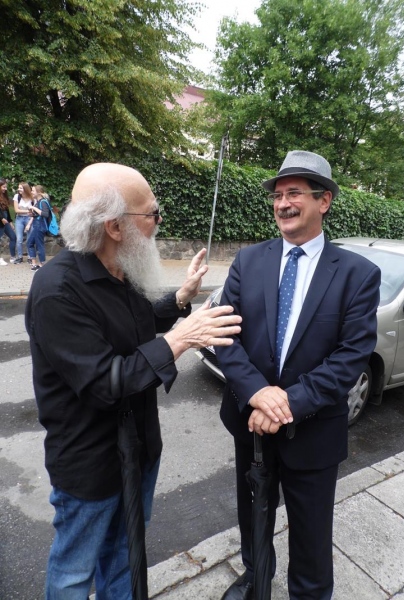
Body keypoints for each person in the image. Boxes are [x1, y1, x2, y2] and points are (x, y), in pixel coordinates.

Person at [25, 162, 242, 600]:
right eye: (151, 213)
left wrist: (179, 300)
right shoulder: (57, 290)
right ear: (114, 226)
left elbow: (137, 325)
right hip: (91, 464)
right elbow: (107, 382)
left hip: (139, 449)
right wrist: (181, 340)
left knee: (125, 557)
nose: (158, 222)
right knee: (73, 573)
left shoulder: (119, 268)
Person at [215, 150, 381, 600]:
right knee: (253, 514)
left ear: (324, 201)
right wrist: (257, 393)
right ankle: (255, 577)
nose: (283, 203)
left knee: (311, 532)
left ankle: (308, 593)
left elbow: (351, 356)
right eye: (277, 195)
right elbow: (224, 335)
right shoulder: (248, 261)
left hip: (313, 431)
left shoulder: (358, 274)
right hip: (250, 424)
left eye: (294, 193)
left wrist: (286, 403)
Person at [27, 184, 50, 271]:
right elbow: (38, 214)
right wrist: (32, 214)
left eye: (33, 190)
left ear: (39, 192)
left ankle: (42, 264)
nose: (31, 192)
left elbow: (45, 214)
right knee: (29, 243)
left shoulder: (43, 202)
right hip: (36, 226)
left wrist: (33, 207)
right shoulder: (38, 201)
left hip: (40, 226)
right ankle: (34, 263)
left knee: (39, 245)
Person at [13, 181, 35, 263]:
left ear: (25, 189)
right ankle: (20, 257)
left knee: (30, 239)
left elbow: (34, 212)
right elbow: (16, 210)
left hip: (29, 219)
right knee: (19, 239)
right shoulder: (17, 197)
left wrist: (29, 223)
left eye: (21, 188)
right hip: (19, 219)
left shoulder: (32, 198)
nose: (19, 189)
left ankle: (30, 257)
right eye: (19, 188)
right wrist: (28, 211)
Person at [0, 178, 17, 264]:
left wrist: (10, 221)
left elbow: (7, 210)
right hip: (1, 221)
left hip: (5, 221)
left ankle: (13, 257)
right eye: (4, 187)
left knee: (13, 237)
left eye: (6, 187)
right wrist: (1, 218)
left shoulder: (4, 196)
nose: (5, 189)